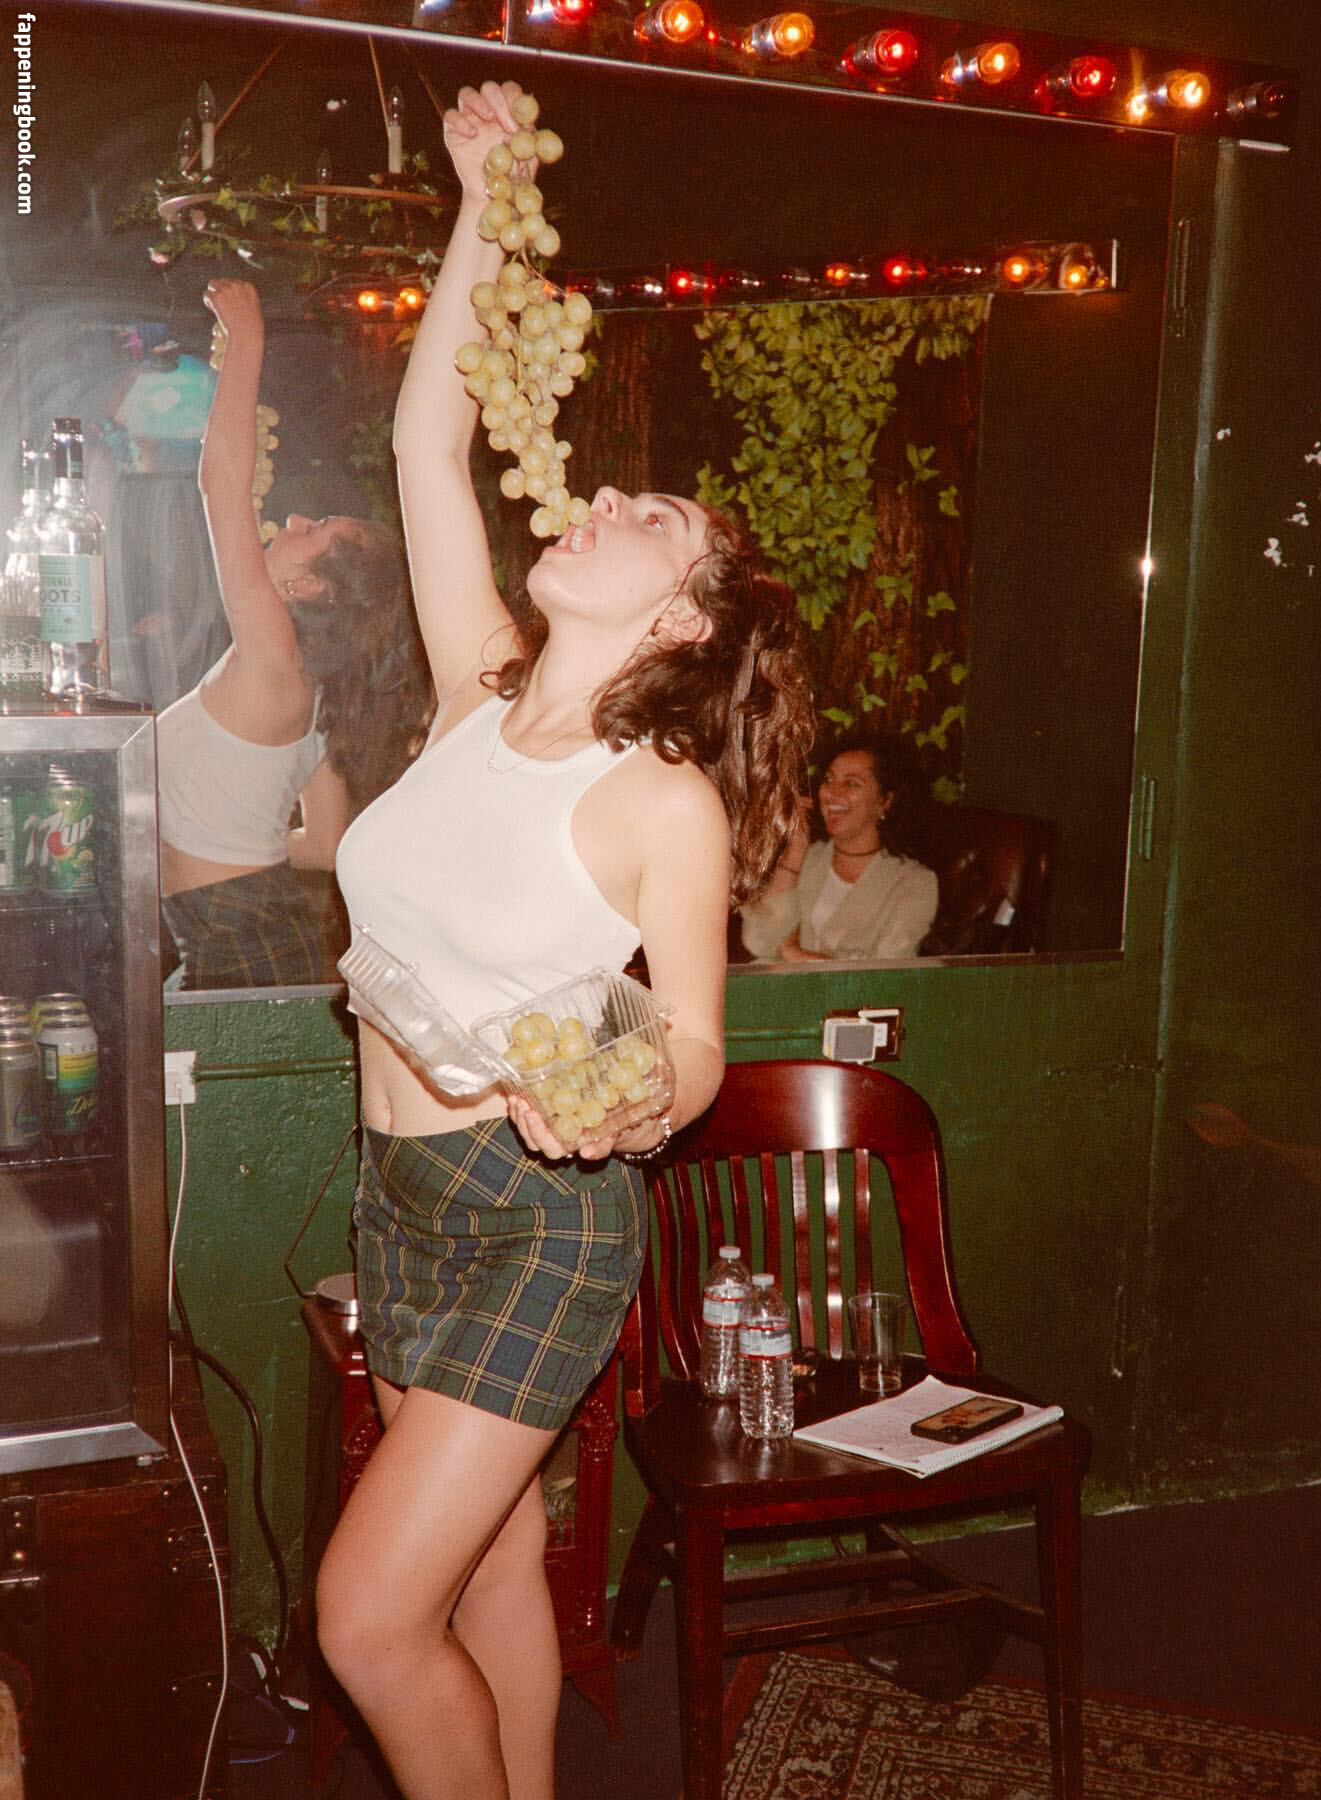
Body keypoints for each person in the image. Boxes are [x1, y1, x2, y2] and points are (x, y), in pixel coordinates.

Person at [314, 80, 814, 1800]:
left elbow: (693, 1044)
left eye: (647, 516)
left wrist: (630, 1096)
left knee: (366, 1621)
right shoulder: (478, 694)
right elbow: (423, 446)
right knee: (491, 1561)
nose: (600, 495)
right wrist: (477, 202)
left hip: (539, 1222)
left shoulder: (658, 800)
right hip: (401, 1195)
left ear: (678, 619)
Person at [156, 279, 432, 990]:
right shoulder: (311, 685)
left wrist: (247, 337)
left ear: (311, 587)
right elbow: (328, 844)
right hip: (245, 931)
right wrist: (237, 836)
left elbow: (222, 487)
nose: (298, 519)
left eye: (317, 532)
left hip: (242, 940)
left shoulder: (275, 659)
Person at [740, 731, 939, 961]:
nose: (832, 793)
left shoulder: (914, 882)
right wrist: (795, 852)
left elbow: (884, 974)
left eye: (851, 783)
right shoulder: (806, 859)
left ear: (885, 801)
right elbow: (758, 942)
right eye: (828, 780)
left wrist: (796, 954)